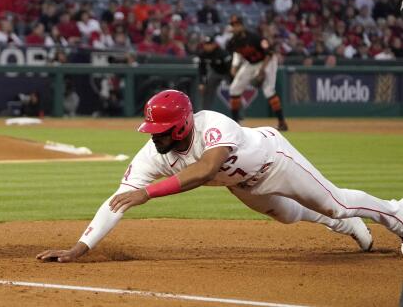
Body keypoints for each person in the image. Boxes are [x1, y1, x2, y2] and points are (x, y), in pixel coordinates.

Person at [37, 90, 403, 263]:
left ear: (182, 126)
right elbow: (118, 201)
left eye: (161, 130)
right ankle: (348, 228)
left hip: (274, 160)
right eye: (152, 129)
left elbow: (206, 170)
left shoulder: (213, 124)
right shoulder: (154, 155)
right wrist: (79, 249)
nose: (155, 136)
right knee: (289, 215)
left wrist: (148, 194)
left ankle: (396, 212)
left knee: (336, 203)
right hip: (243, 183)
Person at [226, 15, 288, 131]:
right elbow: (237, 53)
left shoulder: (254, 37)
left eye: (237, 25)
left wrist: (262, 70)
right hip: (251, 63)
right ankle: (235, 123)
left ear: (242, 26)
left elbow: (269, 52)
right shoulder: (233, 41)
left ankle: (282, 122)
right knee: (234, 89)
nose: (235, 27)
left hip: (267, 61)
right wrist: (234, 67)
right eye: (233, 25)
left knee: (269, 91)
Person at [198, 37, 232, 110]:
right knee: (207, 90)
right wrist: (202, 83)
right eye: (206, 44)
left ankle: (239, 115)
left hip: (227, 73)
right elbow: (202, 69)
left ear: (214, 45)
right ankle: (205, 112)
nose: (207, 46)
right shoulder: (203, 54)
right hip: (215, 73)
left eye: (209, 44)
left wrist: (232, 80)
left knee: (235, 91)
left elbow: (230, 67)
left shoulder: (222, 53)